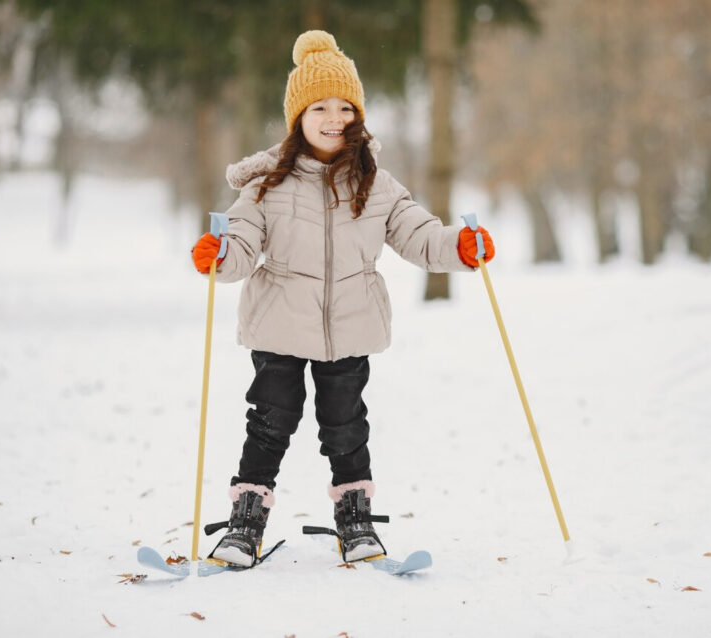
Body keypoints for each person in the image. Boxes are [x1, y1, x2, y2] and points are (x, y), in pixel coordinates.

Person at [190, 30, 496, 567]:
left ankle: (354, 519)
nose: (335, 118)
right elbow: (240, 244)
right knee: (270, 420)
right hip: (280, 325)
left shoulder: (376, 184)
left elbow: (421, 236)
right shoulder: (266, 186)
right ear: (298, 117)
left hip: (351, 325)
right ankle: (245, 523)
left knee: (346, 425)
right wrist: (220, 254)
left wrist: (460, 247)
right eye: (320, 107)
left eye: (346, 107)